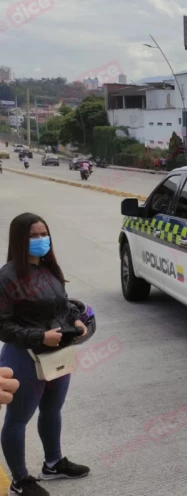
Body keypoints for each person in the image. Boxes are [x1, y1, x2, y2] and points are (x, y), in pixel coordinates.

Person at [0, 213, 91, 496]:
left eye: (43, 234)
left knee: (52, 409)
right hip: (24, 358)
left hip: (58, 355)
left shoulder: (48, 269)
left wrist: (75, 320)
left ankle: (53, 463)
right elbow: (3, 326)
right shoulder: (7, 277)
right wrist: (41, 337)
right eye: (33, 235)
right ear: (18, 239)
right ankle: (20, 479)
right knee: (17, 419)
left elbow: (62, 305)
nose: (41, 240)